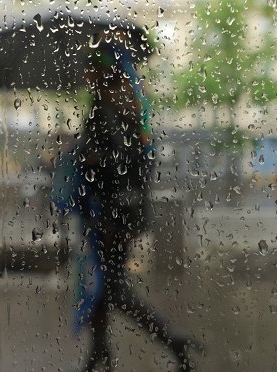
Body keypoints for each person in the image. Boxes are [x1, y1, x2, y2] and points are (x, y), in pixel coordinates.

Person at [73, 35, 197, 371]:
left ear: (103, 71)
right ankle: (100, 353)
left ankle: (173, 341)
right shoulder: (123, 104)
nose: (85, 71)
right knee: (101, 286)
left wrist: (87, 159)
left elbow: (122, 165)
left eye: (90, 65)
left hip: (113, 215)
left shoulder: (109, 108)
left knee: (112, 289)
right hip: (114, 212)